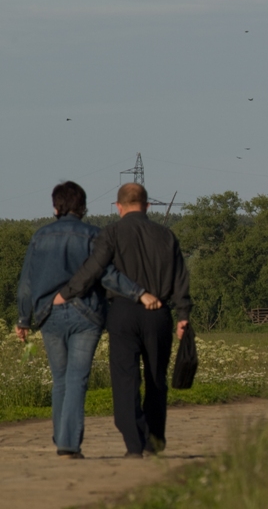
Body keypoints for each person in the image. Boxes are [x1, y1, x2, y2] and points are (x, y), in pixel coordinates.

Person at [15, 182, 160, 459]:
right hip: (86, 314)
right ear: (82, 207)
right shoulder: (94, 235)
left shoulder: (39, 237)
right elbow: (106, 274)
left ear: (55, 207)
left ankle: (63, 440)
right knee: (77, 378)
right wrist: (138, 293)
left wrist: (23, 319)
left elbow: (26, 283)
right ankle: (69, 444)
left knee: (60, 380)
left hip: (48, 313)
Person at [55, 183, 191, 458]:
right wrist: (183, 315)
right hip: (159, 313)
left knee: (125, 380)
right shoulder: (166, 235)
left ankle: (133, 444)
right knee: (156, 379)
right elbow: (180, 278)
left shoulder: (112, 233)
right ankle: (153, 441)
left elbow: (95, 268)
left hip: (122, 313)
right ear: (148, 205)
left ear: (118, 207)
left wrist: (66, 293)